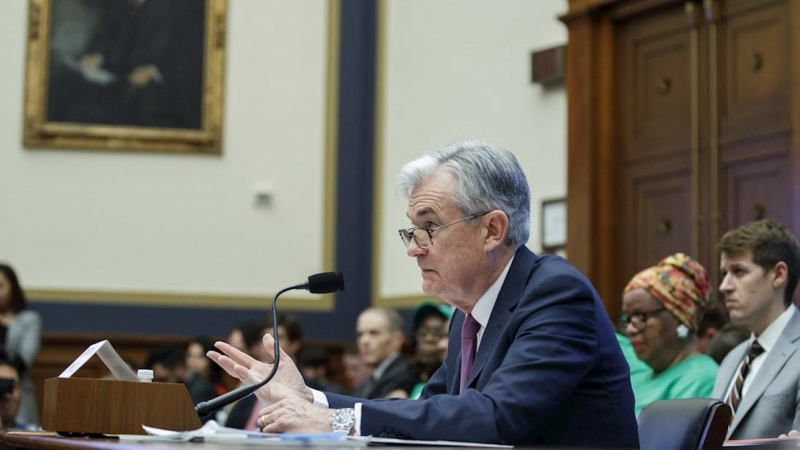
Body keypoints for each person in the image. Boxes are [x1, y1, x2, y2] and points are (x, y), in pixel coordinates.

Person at [208, 141, 639, 447]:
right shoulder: (467, 316)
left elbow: (496, 417)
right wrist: (311, 399)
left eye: (429, 227)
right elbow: (429, 410)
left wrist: (333, 421)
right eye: (411, 230)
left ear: (492, 230)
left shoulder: (555, 295)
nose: (414, 247)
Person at [711, 219, 800, 439]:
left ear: (778, 275)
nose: (724, 286)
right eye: (724, 273)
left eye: (738, 271)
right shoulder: (732, 359)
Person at [620, 253, 719, 416]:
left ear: (679, 317)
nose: (631, 329)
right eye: (627, 319)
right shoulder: (640, 376)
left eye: (641, 317)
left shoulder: (702, 378)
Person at [0, 264, 42, 427]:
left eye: (1, 286)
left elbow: (25, 359)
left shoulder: (29, 319)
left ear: (13, 288)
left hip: (17, 392)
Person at [351, 307, 416, 399]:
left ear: (397, 340)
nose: (364, 341)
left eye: (374, 333)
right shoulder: (373, 379)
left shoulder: (403, 377)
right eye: (360, 334)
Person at [408, 301, 452, 399]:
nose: (429, 338)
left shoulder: (455, 386)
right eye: (423, 332)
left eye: (439, 334)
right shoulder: (405, 379)